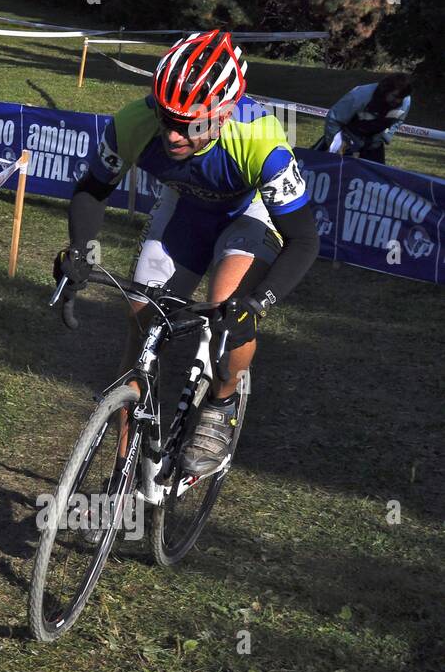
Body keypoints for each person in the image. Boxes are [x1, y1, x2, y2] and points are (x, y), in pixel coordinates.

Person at [55, 30, 319, 476]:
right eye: (166, 117)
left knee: (225, 309)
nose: (173, 134)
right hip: (185, 207)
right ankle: (125, 466)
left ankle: (223, 399)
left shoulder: (261, 141)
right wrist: (78, 251)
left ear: (225, 112)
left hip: (247, 214)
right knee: (140, 318)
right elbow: (93, 190)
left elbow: (305, 240)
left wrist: (257, 304)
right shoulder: (134, 122)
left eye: (188, 123)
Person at [315, 73, 413, 164]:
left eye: (402, 97)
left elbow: (398, 121)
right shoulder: (360, 95)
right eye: (395, 96)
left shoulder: (405, 100)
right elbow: (334, 119)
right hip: (346, 137)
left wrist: (383, 137)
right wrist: (334, 143)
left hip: (373, 143)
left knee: (376, 178)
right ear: (385, 90)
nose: (398, 101)